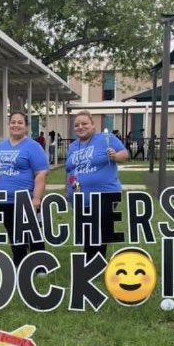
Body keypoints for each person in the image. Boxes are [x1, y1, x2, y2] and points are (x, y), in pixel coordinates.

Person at [0, 111, 49, 266]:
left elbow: (41, 174)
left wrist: (36, 198)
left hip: (25, 199)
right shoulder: (1, 146)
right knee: (13, 233)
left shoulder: (33, 147)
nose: (16, 125)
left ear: (26, 126)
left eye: (20, 122)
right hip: (3, 199)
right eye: (13, 122)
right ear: (9, 125)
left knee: (32, 233)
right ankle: (19, 262)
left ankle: (39, 266)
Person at [65, 110, 129, 261]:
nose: (81, 127)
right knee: (87, 230)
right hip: (80, 197)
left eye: (84, 123)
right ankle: (91, 262)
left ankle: (95, 262)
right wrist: (68, 190)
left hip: (105, 194)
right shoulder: (72, 147)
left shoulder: (106, 138)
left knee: (98, 228)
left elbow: (124, 154)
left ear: (93, 125)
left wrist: (115, 156)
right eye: (77, 125)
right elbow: (69, 170)